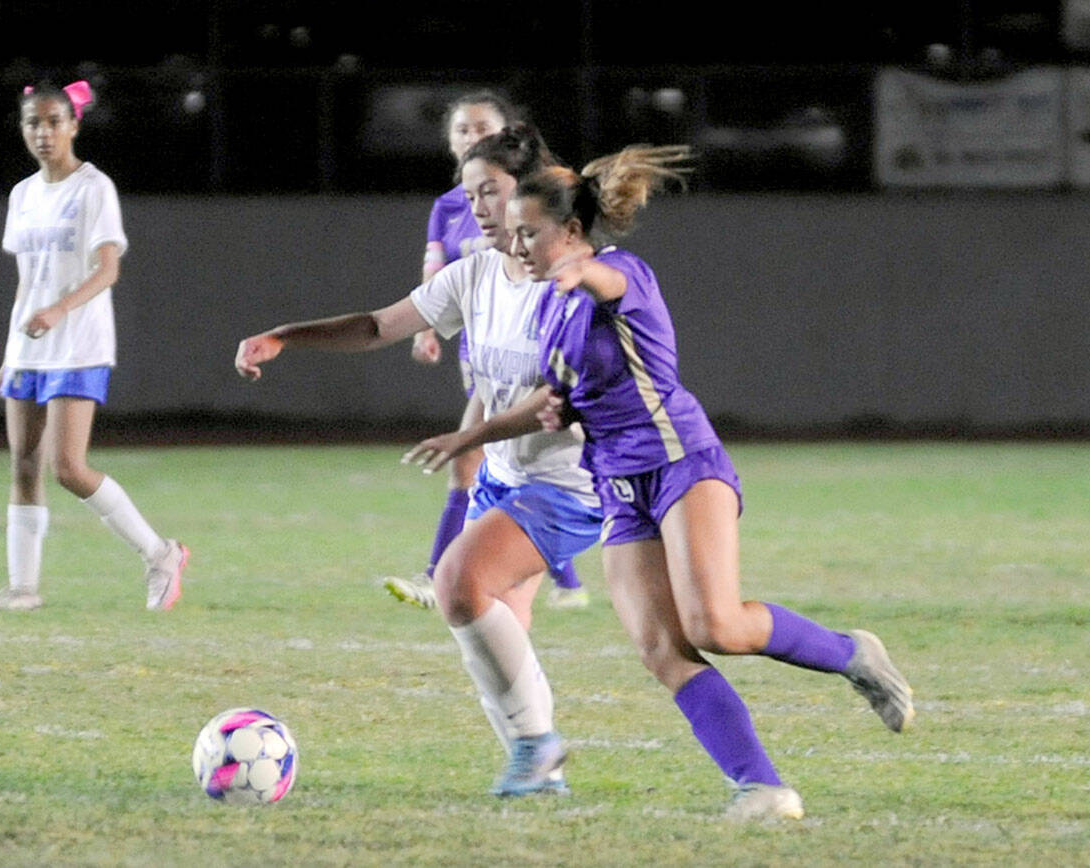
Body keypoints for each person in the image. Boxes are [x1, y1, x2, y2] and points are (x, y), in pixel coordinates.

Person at [403, 147, 916, 821]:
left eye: (530, 232)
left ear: (571, 232)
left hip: (679, 460)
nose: (516, 242)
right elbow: (548, 401)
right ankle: (761, 786)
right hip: (615, 482)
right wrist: (471, 436)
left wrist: (577, 273)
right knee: (661, 649)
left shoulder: (619, 271)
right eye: (516, 232)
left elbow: (605, 284)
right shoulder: (549, 313)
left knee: (717, 624)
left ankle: (851, 653)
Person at [234, 124, 602, 796]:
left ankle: (537, 745)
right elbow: (380, 326)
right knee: (495, 631)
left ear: (531, 194)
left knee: (459, 584)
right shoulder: (475, 274)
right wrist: (286, 335)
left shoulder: (571, 282)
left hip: (571, 482)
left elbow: (569, 391)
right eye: (469, 197)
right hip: (507, 477)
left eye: (490, 192)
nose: (478, 210)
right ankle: (538, 768)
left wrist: (471, 435)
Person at [386, 90, 589, 612]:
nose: (471, 137)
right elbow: (434, 273)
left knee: (492, 458)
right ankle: (549, 580)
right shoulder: (449, 209)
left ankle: (446, 572)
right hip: (484, 354)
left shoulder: (547, 208)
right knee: (494, 467)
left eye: (482, 129)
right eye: (461, 130)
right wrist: (424, 325)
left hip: (532, 362)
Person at [0, 81, 188, 612]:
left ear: (74, 125)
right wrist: (11, 351)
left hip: (78, 343)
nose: (43, 132)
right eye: (34, 122)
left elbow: (108, 270)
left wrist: (60, 310)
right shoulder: (23, 194)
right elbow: (25, 281)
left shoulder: (93, 188)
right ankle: (23, 588)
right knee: (23, 465)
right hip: (29, 349)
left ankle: (160, 553)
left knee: (68, 468)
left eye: (54, 121)